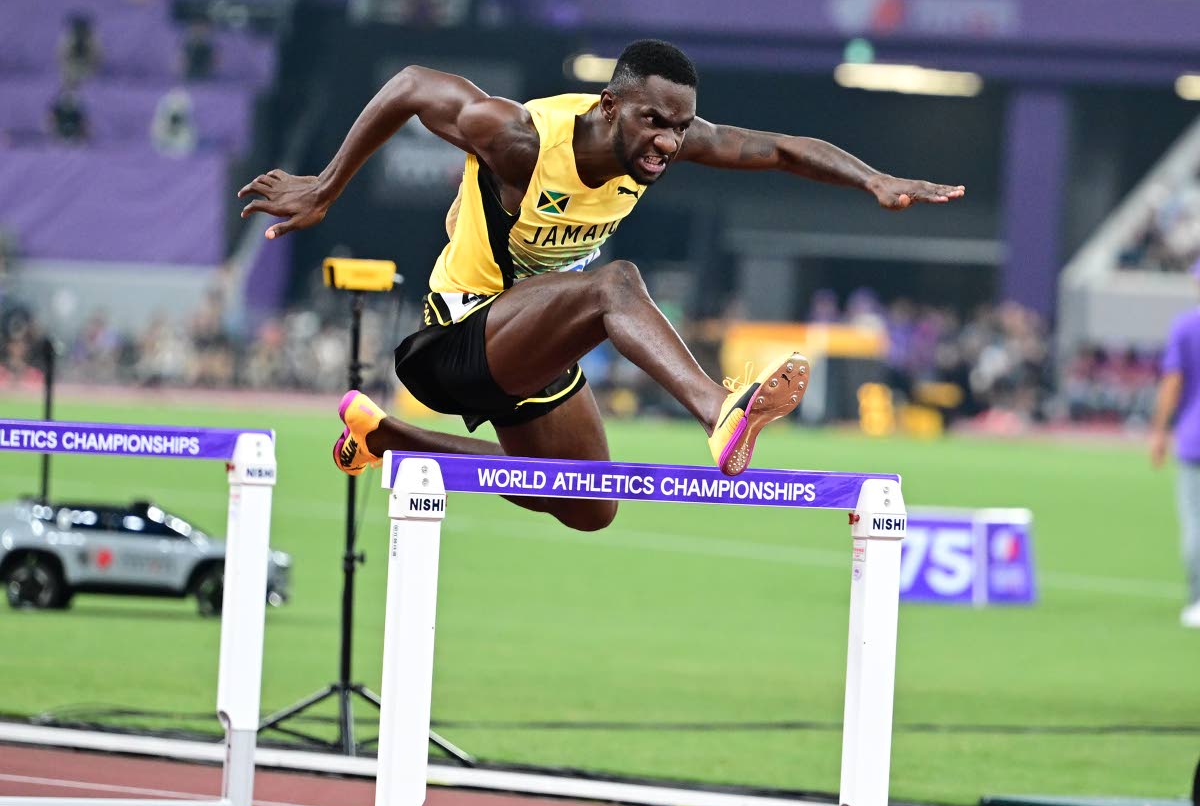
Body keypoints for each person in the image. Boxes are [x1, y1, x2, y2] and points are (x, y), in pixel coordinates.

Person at [238, 39, 964, 531]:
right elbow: (409, 85)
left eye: (679, 129)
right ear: (609, 105)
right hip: (453, 342)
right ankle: (719, 410)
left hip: (531, 347)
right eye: (654, 122)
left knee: (589, 504)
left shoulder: (666, 144)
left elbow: (777, 150)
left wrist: (872, 178)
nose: (668, 143)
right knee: (613, 284)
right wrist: (326, 189)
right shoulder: (519, 138)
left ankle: (392, 439)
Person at [1151, 259, 1200, 626]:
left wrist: (1159, 432)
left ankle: (1198, 599)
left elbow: (1172, 383)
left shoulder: (1186, 326)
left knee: (1195, 524)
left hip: (1193, 438)